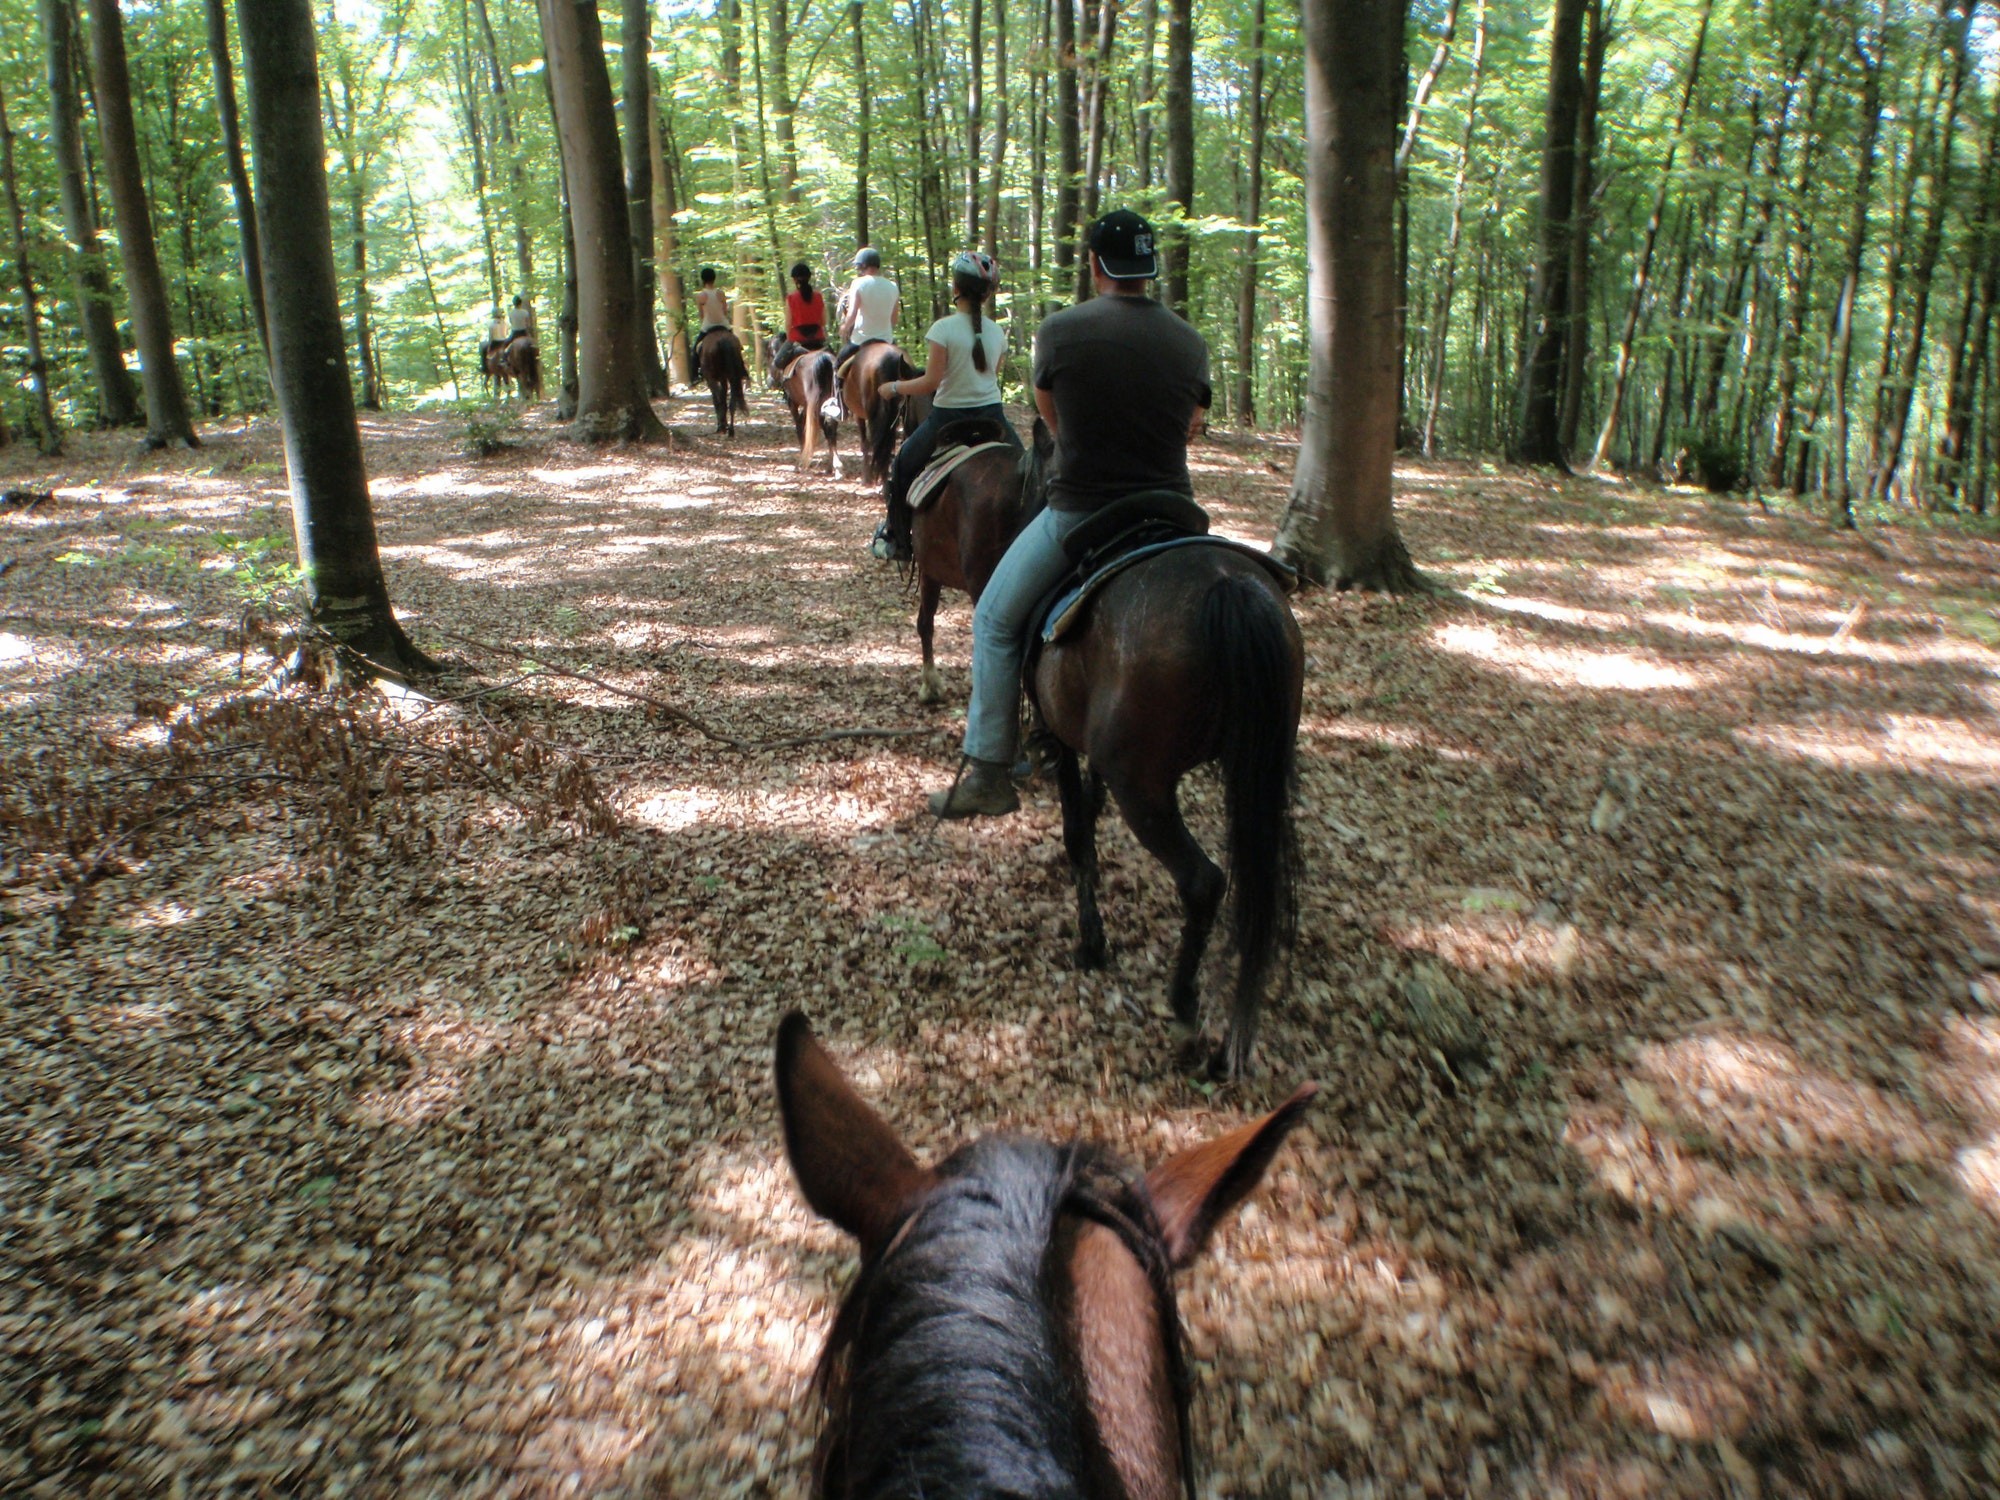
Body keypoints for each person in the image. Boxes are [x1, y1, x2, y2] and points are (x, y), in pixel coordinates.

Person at [925, 210, 1210, 819]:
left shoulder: (1060, 331)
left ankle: (990, 773)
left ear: (1094, 266)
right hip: (1175, 510)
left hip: (1083, 511)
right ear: (1148, 266)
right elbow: (1192, 425)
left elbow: (1052, 421)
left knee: (996, 622)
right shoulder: (1190, 341)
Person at [877, 250, 1023, 563]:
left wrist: (894, 387)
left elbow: (930, 383)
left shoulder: (943, 329)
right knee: (1027, 470)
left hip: (947, 418)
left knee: (902, 466)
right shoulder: (997, 332)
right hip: (993, 416)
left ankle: (898, 540)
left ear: (955, 288)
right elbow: (990, 377)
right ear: (986, 295)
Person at [835, 247, 900, 371]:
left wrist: (844, 327)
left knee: (837, 365)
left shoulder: (858, 283)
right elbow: (894, 320)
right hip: (887, 339)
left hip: (861, 340)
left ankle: (838, 390)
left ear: (862, 265)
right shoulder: (893, 286)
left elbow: (852, 314)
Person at [691, 266, 731, 379]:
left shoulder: (701, 296)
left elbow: (701, 315)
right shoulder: (721, 293)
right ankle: (742, 370)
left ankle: (695, 375)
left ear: (703, 279)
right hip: (724, 325)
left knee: (695, 351)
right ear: (714, 278)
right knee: (737, 347)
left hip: (707, 326)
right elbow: (725, 310)